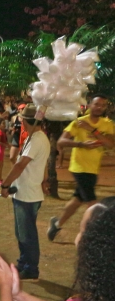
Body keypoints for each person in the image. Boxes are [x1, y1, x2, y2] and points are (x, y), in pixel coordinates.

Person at [48, 94, 115, 242]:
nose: (99, 107)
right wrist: (81, 144)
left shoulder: (107, 124)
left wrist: (92, 131)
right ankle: (94, 235)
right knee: (93, 204)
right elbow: (61, 141)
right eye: (96, 104)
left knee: (77, 200)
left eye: (103, 105)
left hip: (93, 168)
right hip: (79, 167)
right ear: (90, 105)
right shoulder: (79, 122)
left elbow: (110, 144)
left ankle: (56, 224)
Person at [0, 105, 50, 280]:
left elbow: (20, 165)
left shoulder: (37, 139)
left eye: (21, 120)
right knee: (22, 232)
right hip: (25, 192)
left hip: (28, 194)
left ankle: (30, 268)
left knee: (27, 233)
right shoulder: (34, 137)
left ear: (26, 121)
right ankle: (23, 263)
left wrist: (5, 184)